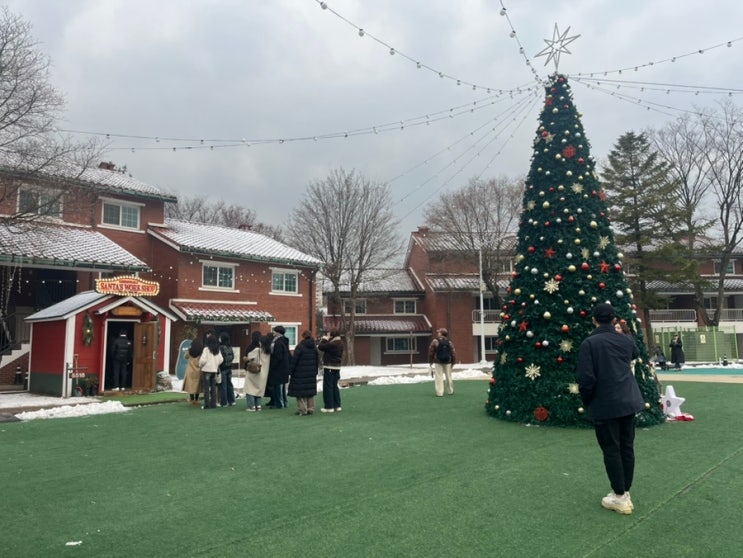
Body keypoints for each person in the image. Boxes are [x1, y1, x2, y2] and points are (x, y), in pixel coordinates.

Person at [577, 303, 645, 515]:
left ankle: (619, 495)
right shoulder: (625, 340)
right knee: (627, 446)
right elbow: (634, 353)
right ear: (614, 319)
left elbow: (586, 379)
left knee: (611, 449)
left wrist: (588, 400)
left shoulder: (589, 343)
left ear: (594, 319)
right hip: (628, 400)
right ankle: (624, 491)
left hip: (605, 403)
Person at [288, 330, 319, 416]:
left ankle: (302, 410)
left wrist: (290, 371)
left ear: (303, 336)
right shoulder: (314, 347)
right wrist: (315, 371)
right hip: (311, 372)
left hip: (300, 372)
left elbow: (294, 360)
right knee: (310, 392)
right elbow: (317, 360)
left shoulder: (300, 347)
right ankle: (310, 408)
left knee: (300, 393)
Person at [318, 330, 344, 413]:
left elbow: (320, 347)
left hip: (329, 366)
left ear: (332, 336)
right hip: (337, 367)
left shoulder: (333, 343)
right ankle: (337, 405)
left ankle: (329, 407)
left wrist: (325, 338)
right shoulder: (341, 343)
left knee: (328, 386)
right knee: (334, 386)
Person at [243, 331, 269, 411]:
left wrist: (245, 359)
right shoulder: (268, 352)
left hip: (254, 372)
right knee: (259, 390)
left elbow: (248, 357)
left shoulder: (257, 350)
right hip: (264, 373)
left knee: (249, 388)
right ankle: (258, 405)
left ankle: (251, 406)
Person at [428, 328, 457, 397]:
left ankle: (440, 392)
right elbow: (453, 352)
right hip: (447, 361)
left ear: (441, 333)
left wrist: (430, 361)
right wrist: (453, 361)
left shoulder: (435, 341)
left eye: (439, 332)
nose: (438, 333)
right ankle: (450, 390)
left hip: (438, 361)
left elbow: (431, 351)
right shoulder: (449, 342)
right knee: (448, 376)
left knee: (439, 377)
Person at [199, 331, 223, 409]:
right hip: (214, 371)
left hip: (206, 370)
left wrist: (200, 365)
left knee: (206, 389)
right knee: (213, 388)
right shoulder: (217, 350)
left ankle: (207, 405)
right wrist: (216, 364)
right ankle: (213, 404)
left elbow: (203, 360)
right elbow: (221, 359)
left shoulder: (206, 349)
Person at [267, 325, 290, 409]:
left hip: (278, 368)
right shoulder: (284, 341)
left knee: (278, 386)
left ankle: (280, 404)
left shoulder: (278, 343)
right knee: (282, 386)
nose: (273, 332)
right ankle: (284, 402)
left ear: (278, 332)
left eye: (275, 331)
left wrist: (272, 364)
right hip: (283, 367)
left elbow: (278, 356)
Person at [182, 338, 204, 406]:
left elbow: (185, 357)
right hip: (198, 370)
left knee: (191, 385)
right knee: (198, 386)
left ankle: (192, 399)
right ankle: (196, 400)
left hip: (190, 370)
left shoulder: (189, 351)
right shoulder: (201, 352)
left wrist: (188, 351)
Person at [218, 332, 236, 407]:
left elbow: (220, 358)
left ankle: (224, 402)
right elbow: (233, 356)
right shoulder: (229, 347)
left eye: (220, 337)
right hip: (229, 368)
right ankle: (232, 401)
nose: (219, 339)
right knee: (229, 385)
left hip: (223, 368)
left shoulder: (221, 347)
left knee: (223, 386)